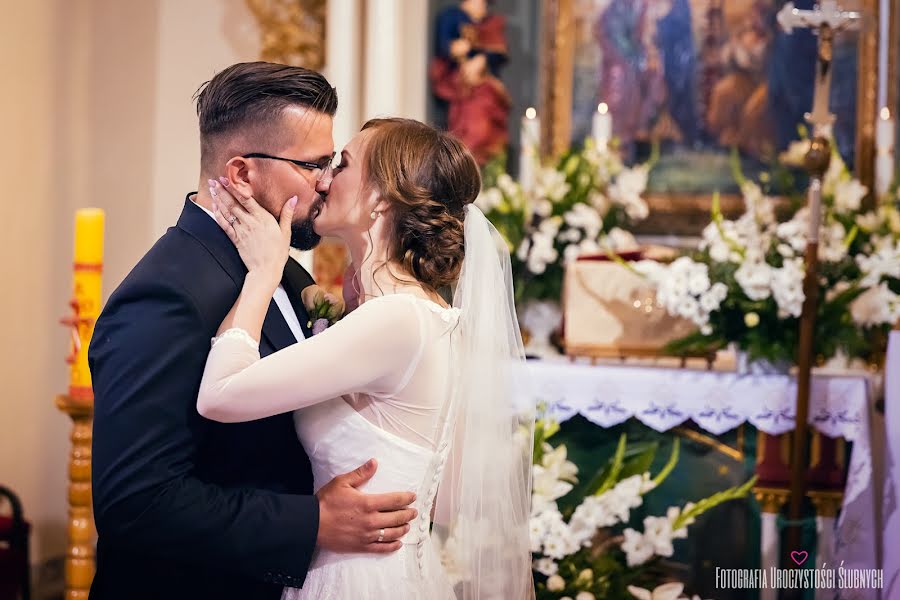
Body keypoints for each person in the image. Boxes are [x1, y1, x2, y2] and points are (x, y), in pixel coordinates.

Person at [88, 62, 418, 600]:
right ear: (242, 174)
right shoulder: (165, 295)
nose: (327, 181)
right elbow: (136, 500)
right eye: (312, 165)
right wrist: (311, 522)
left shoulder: (284, 269)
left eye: (331, 163)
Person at [198, 117, 533, 598]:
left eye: (344, 164)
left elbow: (218, 396)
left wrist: (263, 272)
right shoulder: (418, 314)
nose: (324, 178)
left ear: (381, 197)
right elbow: (448, 499)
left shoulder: (396, 320)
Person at [429, 0, 511, 165]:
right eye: (481, 3)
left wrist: (482, 59)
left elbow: (499, 53)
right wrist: (455, 49)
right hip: (462, 88)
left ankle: (479, 164)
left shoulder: (491, 24)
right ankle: (465, 164)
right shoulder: (451, 17)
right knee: (469, 130)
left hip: (485, 89)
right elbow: (445, 46)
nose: (484, 8)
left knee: (486, 132)